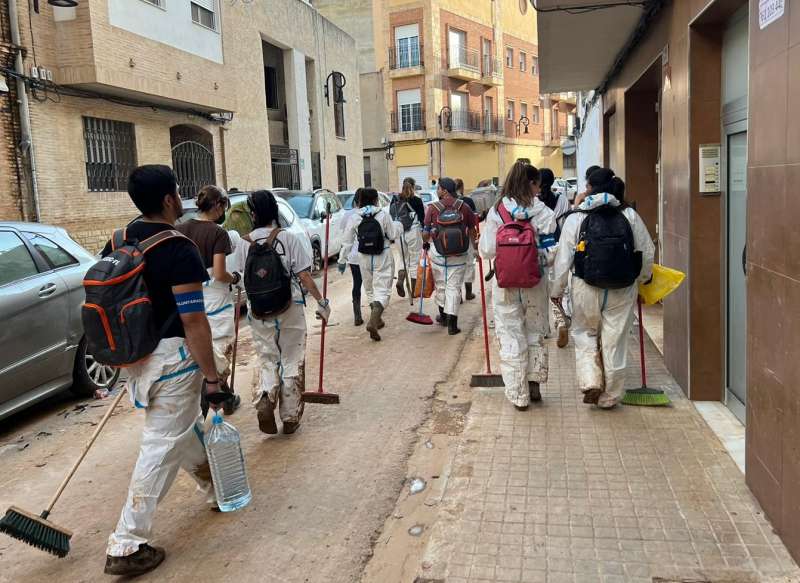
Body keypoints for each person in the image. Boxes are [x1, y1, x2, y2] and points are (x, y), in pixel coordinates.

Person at [104, 165, 223, 576]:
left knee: (181, 430)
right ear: (171, 198)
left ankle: (216, 488)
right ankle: (126, 543)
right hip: (173, 361)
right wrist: (212, 377)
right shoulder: (178, 247)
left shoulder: (118, 240)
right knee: (160, 444)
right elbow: (193, 320)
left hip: (136, 359)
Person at [552, 168, 654, 409]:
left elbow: (563, 259)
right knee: (615, 341)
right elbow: (646, 252)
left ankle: (590, 381)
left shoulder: (576, 217)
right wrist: (642, 279)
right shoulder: (629, 215)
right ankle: (609, 398)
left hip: (584, 286)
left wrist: (556, 291)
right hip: (622, 287)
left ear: (589, 187)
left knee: (584, 334)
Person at [245, 190, 330, 435]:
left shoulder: (243, 242)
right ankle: (290, 416)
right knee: (292, 356)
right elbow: (304, 276)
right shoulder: (289, 238)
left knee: (267, 356)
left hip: (258, 310)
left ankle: (265, 396)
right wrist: (322, 302)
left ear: (252, 213)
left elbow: (241, 281)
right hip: (290, 305)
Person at [479, 162, 557, 411]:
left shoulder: (496, 211)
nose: (539, 191)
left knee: (510, 335)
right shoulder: (542, 211)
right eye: (537, 186)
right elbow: (551, 251)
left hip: (504, 285)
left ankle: (518, 395)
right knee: (536, 331)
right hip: (535, 282)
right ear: (531, 184)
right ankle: (535, 384)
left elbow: (488, 250)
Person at [176, 185, 241, 414]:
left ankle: (226, 398)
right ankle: (213, 400)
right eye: (224, 206)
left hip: (189, 300)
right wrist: (235, 278)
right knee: (220, 357)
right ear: (218, 205)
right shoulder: (217, 233)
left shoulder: (181, 229)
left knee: (203, 352)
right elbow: (219, 272)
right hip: (216, 302)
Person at [338, 187, 402, 341]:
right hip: (383, 254)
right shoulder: (383, 214)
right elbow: (393, 234)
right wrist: (398, 226)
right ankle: (374, 319)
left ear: (360, 200)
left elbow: (347, 242)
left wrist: (341, 260)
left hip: (364, 256)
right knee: (384, 288)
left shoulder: (355, 217)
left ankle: (377, 318)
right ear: (375, 199)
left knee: (369, 287)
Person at [423, 177, 478, 335]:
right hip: (459, 254)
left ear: (444, 190)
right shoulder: (464, 206)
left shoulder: (433, 208)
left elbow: (426, 233)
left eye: (438, 188)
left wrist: (426, 240)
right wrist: (475, 248)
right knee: (453, 287)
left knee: (441, 285)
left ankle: (443, 316)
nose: (437, 190)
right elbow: (472, 230)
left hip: (438, 254)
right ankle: (452, 325)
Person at [536, 169, 571, 349]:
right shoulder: (562, 200)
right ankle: (561, 321)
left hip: (538, 250)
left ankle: (544, 327)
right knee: (559, 287)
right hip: (558, 248)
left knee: (541, 289)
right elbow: (566, 226)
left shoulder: (533, 202)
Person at [391, 178, 426, 298]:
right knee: (414, 260)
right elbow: (422, 219)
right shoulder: (417, 200)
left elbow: (392, 216)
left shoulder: (395, 199)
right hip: (413, 231)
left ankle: (400, 281)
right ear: (414, 186)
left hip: (399, 232)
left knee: (403, 259)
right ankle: (414, 291)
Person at [340, 189, 366, 325]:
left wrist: (342, 259)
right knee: (371, 285)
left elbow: (344, 236)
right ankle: (375, 312)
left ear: (355, 201)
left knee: (357, 283)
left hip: (353, 256)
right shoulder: (370, 213)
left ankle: (357, 315)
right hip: (368, 255)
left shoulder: (348, 215)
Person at [455, 178, 478, 301]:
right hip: (467, 236)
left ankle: (458, 296)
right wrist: (475, 244)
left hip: (452, 239)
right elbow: (474, 222)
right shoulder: (468, 201)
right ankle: (468, 293)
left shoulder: (447, 202)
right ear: (462, 187)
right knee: (469, 264)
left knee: (456, 266)